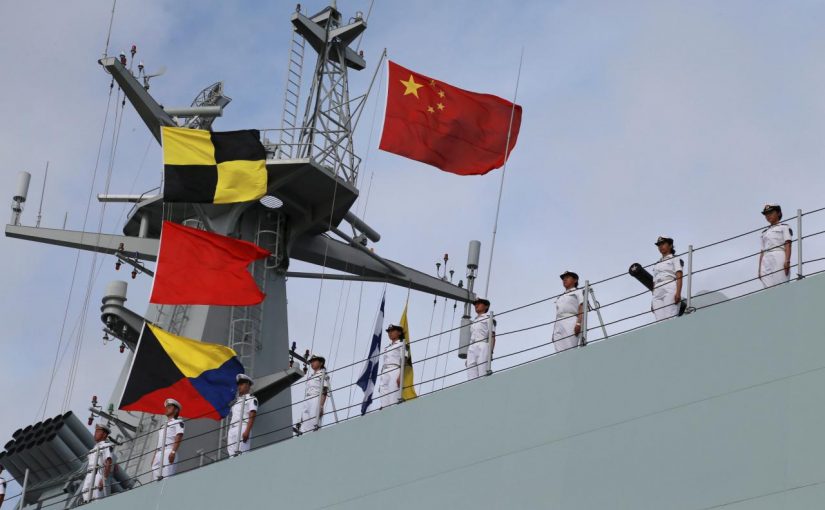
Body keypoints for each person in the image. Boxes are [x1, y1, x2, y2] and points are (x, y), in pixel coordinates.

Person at [759, 204, 793, 288]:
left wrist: (787, 261)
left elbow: (788, 244)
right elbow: (762, 251)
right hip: (766, 258)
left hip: (778, 254)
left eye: (771, 213)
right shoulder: (764, 232)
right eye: (766, 214)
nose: (768, 216)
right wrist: (759, 269)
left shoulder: (784, 227)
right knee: (767, 287)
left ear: (778, 213)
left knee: (781, 284)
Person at [651, 236, 684, 320]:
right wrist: (653, 298)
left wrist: (678, 293)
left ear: (670, 245)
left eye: (663, 244)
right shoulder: (657, 264)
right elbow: (654, 283)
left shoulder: (675, 258)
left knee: (670, 317)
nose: (660, 246)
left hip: (669, 285)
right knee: (659, 321)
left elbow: (679, 275)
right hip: (657, 290)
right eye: (659, 245)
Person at [296, 354, 329, 434]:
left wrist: (321, 406)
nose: (312, 363)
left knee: (314, 422)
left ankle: (315, 436)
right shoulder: (311, 377)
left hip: (316, 398)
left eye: (314, 361)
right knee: (305, 422)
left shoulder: (323, 374)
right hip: (307, 399)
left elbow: (324, 391)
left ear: (321, 363)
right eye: (311, 362)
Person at [152, 399, 184, 481]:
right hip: (159, 453)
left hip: (168, 451)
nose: (167, 409)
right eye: (166, 407)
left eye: (169, 407)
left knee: (166, 477)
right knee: (156, 479)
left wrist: (173, 452)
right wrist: (154, 456)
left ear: (176, 410)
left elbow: (179, 435)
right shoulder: (163, 425)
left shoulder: (178, 422)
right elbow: (160, 441)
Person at [81, 423, 114, 502]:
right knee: (85, 492)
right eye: (95, 431)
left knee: (97, 495)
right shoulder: (93, 449)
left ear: (104, 434)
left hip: (98, 472)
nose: (95, 433)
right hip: (89, 473)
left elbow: (109, 461)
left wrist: (104, 479)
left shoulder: (107, 445)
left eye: (98, 431)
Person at [553, 271, 585, 352]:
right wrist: (553, 331)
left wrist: (578, 323)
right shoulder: (560, 297)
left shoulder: (578, 292)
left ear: (575, 280)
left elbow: (581, 306)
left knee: (570, 348)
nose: (564, 280)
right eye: (563, 279)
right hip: (559, 323)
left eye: (567, 278)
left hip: (571, 320)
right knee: (559, 350)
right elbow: (557, 314)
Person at [227, 374, 258, 456]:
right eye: (238, 384)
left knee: (242, 453)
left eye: (242, 384)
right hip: (232, 429)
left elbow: (253, 413)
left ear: (248, 385)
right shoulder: (236, 401)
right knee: (231, 456)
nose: (239, 387)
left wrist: (247, 431)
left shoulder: (251, 398)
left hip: (243, 427)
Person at [466, 298, 495, 380]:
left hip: (482, 345)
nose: (476, 305)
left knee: (483, 374)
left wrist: (491, 352)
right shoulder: (474, 321)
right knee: (471, 376)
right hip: (472, 347)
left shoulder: (488, 318)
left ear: (486, 306)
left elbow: (492, 336)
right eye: (475, 304)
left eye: (479, 303)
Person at [379, 324, 406, 407]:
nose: (390, 333)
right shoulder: (387, 347)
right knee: (383, 394)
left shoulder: (402, 344)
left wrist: (400, 376)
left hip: (395, 369)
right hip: (385, 371)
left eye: (392, 331)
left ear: (399, 332)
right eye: (389, 331)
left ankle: (393, 409)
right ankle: (385, 409)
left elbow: (404, 359)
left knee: (393, 393)